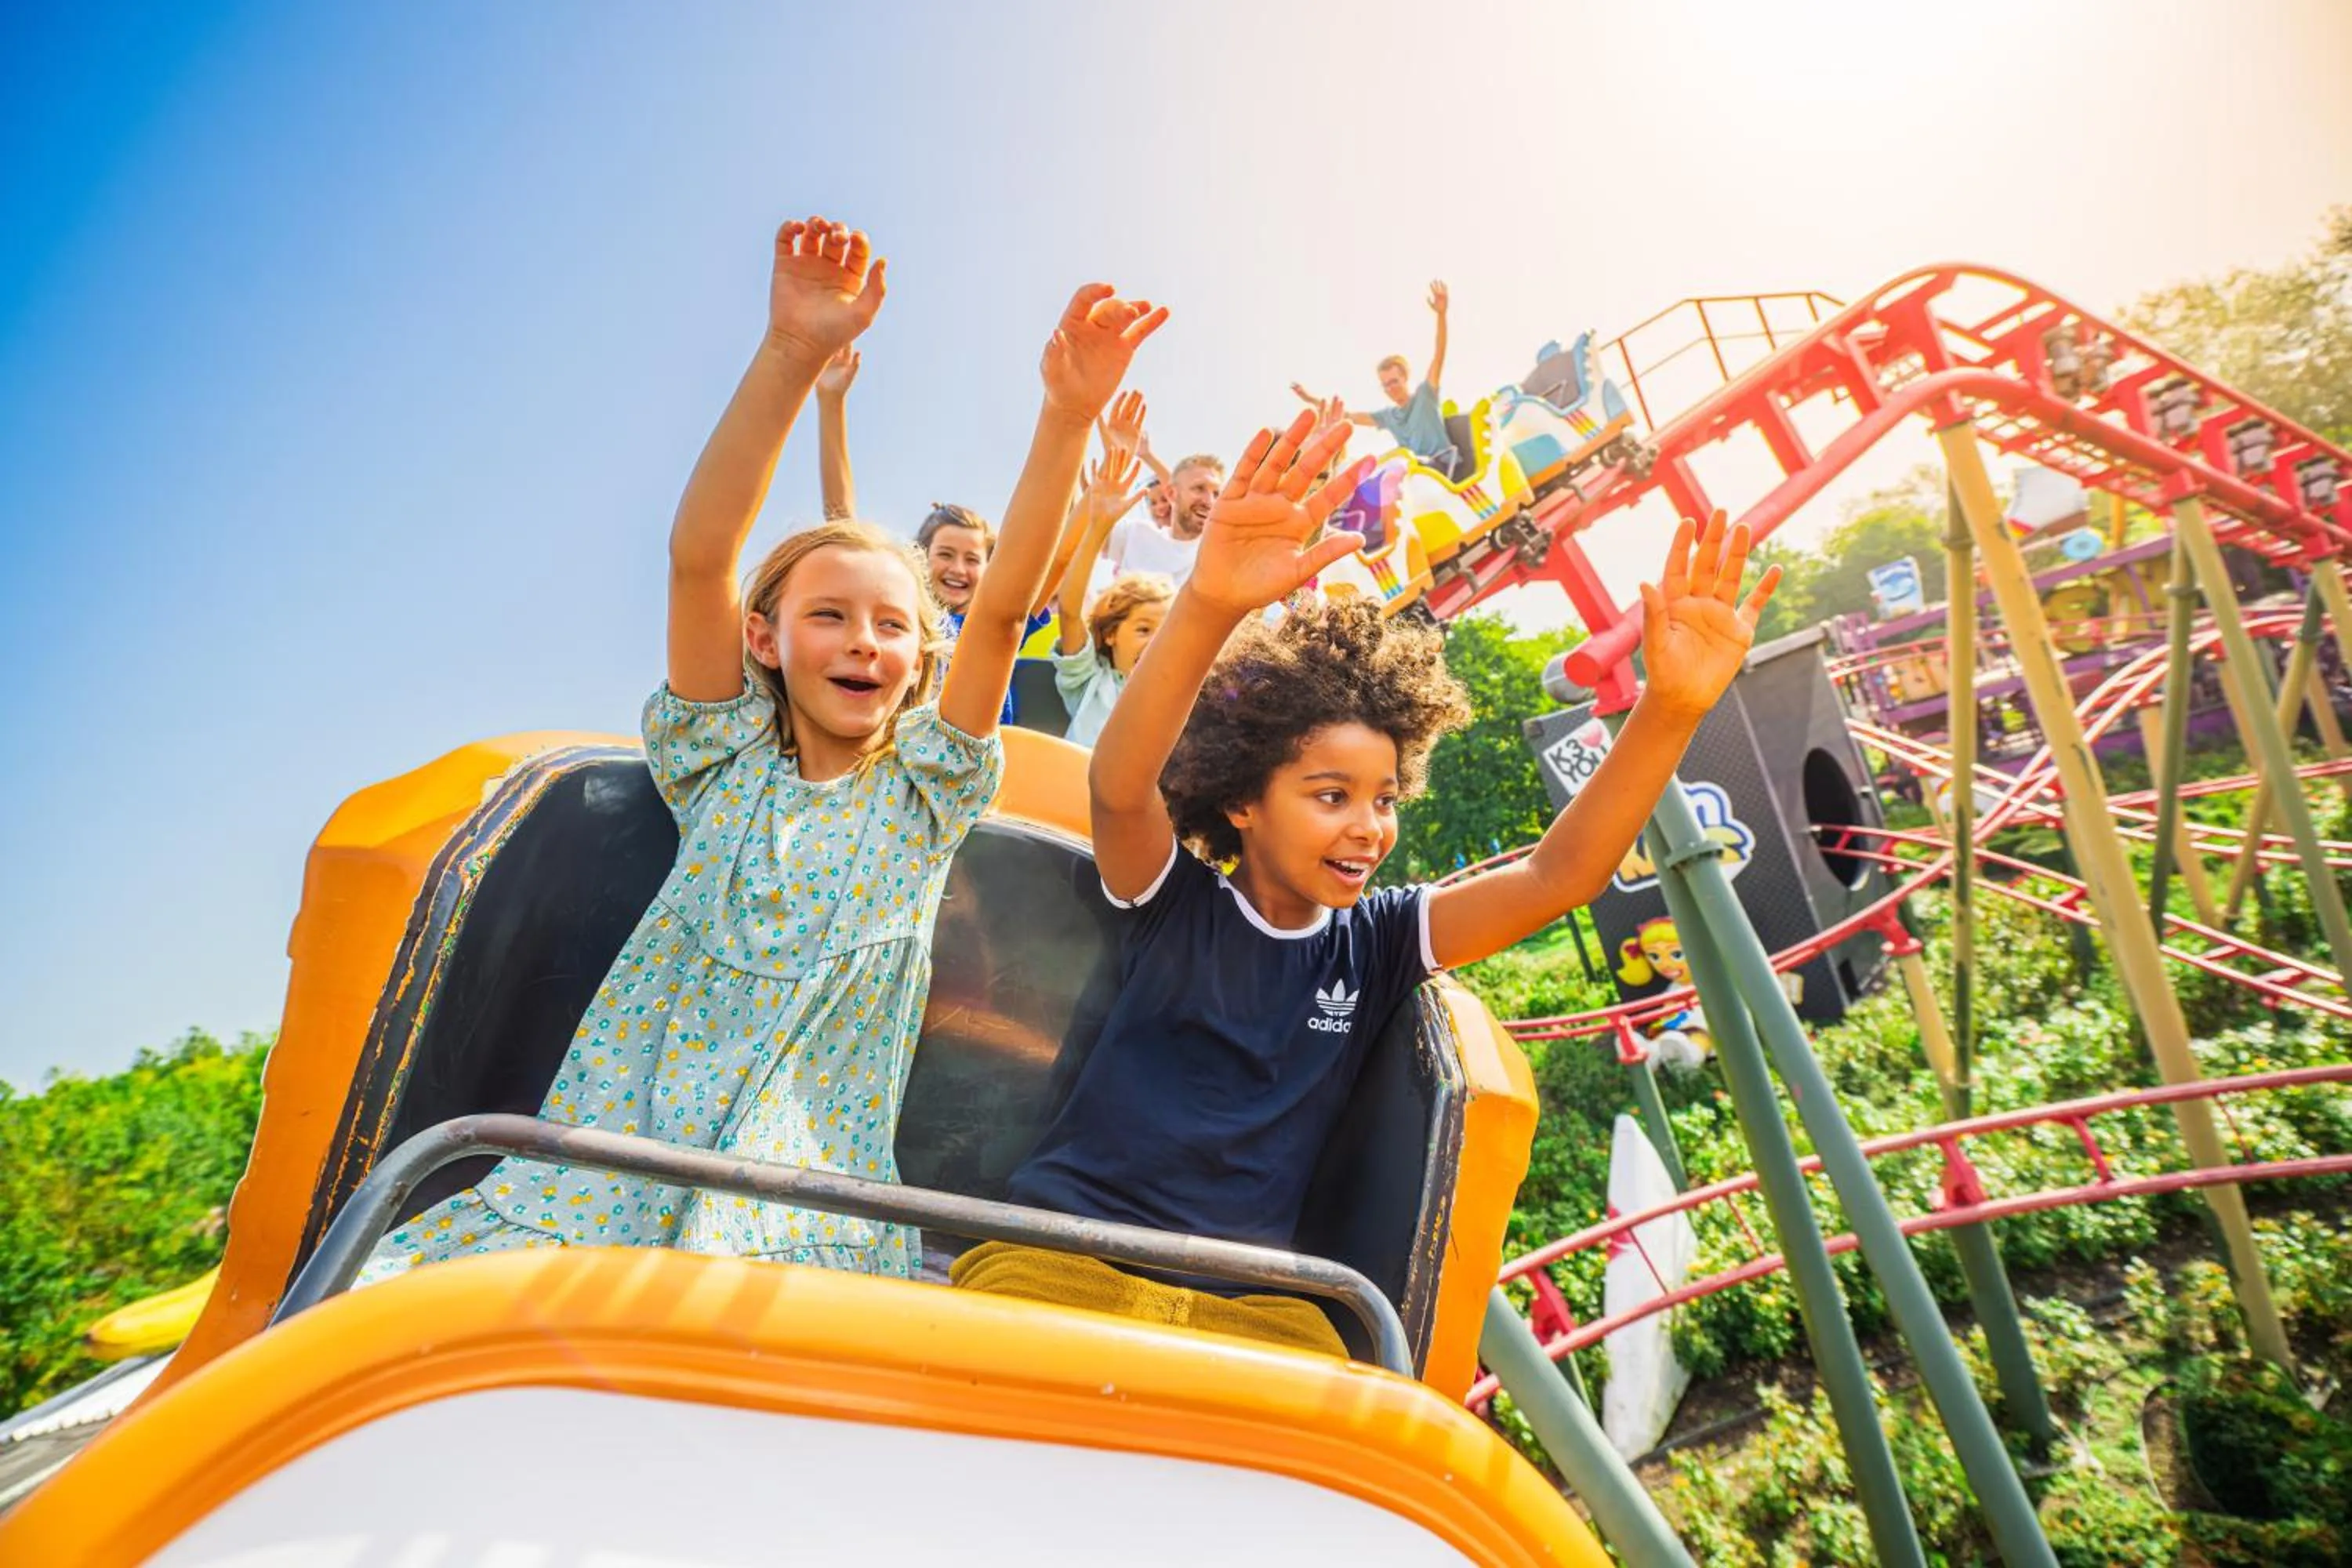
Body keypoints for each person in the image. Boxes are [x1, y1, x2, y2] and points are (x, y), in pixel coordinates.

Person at [358, 216, 1165, 1284]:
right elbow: (701, 559)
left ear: (923, 658)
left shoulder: (927, 788)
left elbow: (1008, 604)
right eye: (829, 616)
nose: (864, 642)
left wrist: (1065, 418)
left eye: (891, 626)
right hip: (606, 1167)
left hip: (797, 1197)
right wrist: (789, 356)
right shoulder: (722, 759)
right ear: (764, 638)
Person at [956, 409, 1777, 1354]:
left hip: (1251, 1299)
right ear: (1242, 803)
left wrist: (1669, 709)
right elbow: (1119, 780)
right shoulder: (1171, 900)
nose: (1368, 825)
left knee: (1343, 1375)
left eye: (1385, 797)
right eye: (1332, 794)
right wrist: (1212, 600)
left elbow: (1559, 874)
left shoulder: (1379, 938)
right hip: (1072, 1258)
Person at [1291, 281, 1454, 472]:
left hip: (1440, 464)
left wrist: (1441, 315)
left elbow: (1439, 354)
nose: (1391, 388)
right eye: (1385, 385)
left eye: (1394, 381)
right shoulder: (1389, 416)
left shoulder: (1425, 395)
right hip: (1416, 472)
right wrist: (1309, 398)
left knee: (1399, 468)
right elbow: (1346, 416)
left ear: (1405, 377)